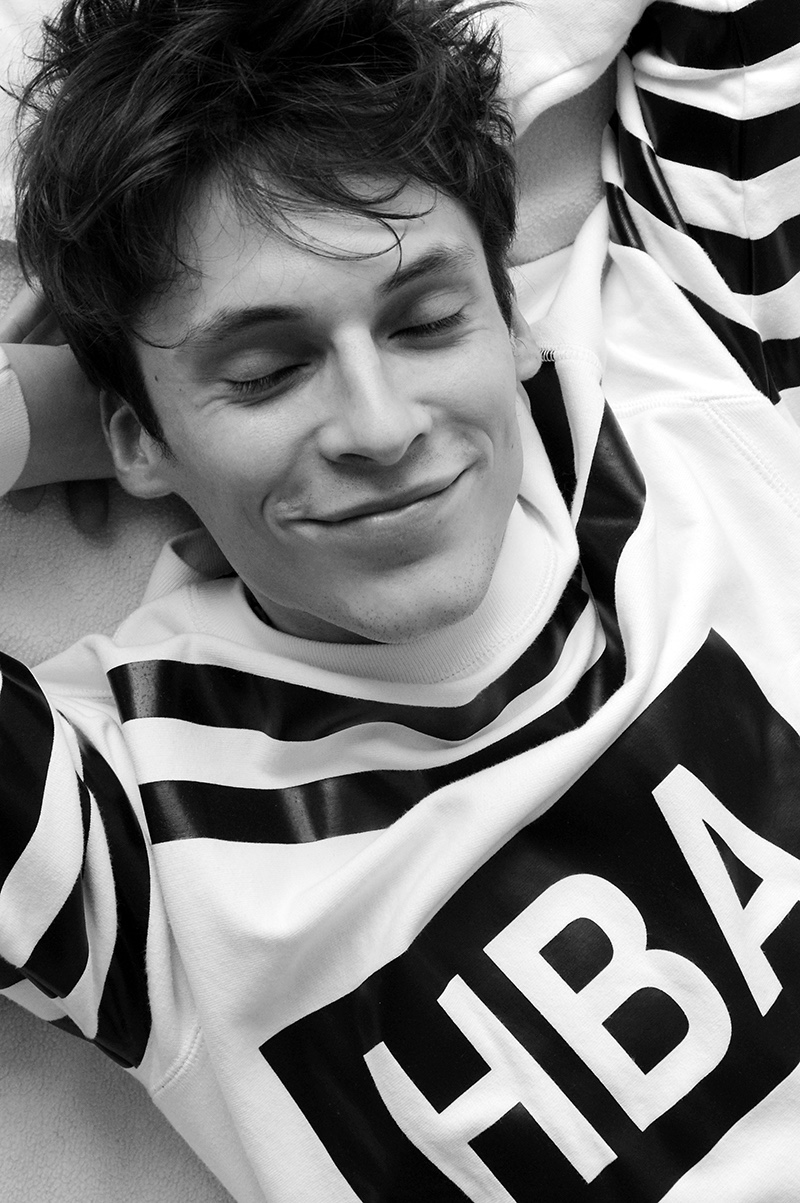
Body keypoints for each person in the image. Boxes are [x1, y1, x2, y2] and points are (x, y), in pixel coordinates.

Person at [2, 0, 800, 1199]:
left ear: (511, 314)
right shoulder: (120, 839)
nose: (378, 429)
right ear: (136, 441)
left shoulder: (670, 351)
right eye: (265, 372)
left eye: (426, 321)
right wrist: (53, 411)